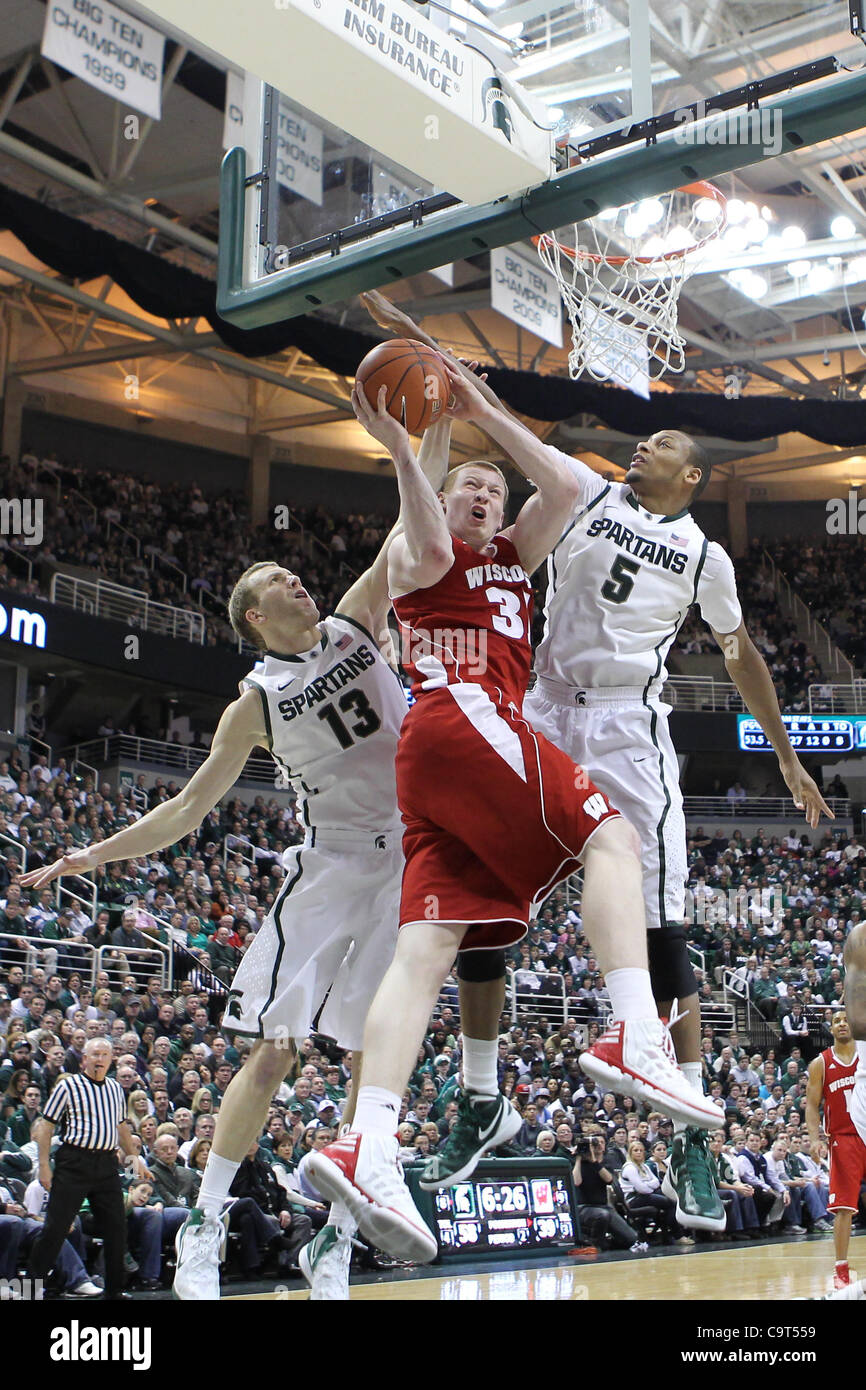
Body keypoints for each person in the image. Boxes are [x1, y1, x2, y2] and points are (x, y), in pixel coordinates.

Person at [360, 288, 831, 1237]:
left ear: (691, 475)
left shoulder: (704, 556)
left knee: (661, 927)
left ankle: (694, 1131)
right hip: (530, 708)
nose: (641, 445)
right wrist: (418, 346)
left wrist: (786, 756)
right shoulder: (581, 496)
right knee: (487, 907)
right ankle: (479, 1094)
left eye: (660, 444)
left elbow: (741, 656)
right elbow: (491, 414)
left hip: (626, 728)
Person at [20, 421, 452, 1302]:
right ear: (256, 617)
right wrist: (92, 854)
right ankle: (206, 1224)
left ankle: (333, 1239)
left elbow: (411, 528)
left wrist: (428, 436)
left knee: (375, 1058)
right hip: (329, 868)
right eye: (277, 584)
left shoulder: (357, 621)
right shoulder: (256, 700)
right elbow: (186, 809)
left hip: (406, 864)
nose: (299, 582)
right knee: (273, 1053)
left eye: (296, 575)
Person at [308, 365, 722, 1264]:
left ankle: (369, 1140)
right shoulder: (423, 555)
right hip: (465, 721)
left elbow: (569, 485)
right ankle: (631, 1030)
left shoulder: (509, 558)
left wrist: (483, 410)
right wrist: (409, 448)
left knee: (429, 951)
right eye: (471, 486)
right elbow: (418, 515)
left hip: (440, 759)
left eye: (496, 490)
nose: (485, 496)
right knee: (612, 836)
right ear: (443, 495)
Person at [27, 1038, 147, 1300]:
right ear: (84, 1059)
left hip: (106, 1164)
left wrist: (135, 1158)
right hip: (74, 1162)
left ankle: (114, 1291)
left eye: (105, 1054)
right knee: (55, 1229)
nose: (100, 1058)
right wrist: (45, 1165)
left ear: (111, 1059)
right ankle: (31, 1291)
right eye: (95, 1054)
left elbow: (122, 1127)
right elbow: (47, 1126)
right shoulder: (68, 1086)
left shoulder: (115, 1088)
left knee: (117, 1228)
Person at [805, 1005, 866, 1290]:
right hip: (843, 1138)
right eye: (837, 1021)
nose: (842, 1023)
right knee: (844, 1207)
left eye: (846, 1019)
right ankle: (841, 1269)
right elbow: (812, 1106)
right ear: (831, 1029)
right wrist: (815, 1138)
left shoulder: (865, 1057)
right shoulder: (821, 1063)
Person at [573, 1133, 643, 1251]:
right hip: (583, 1207)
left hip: (603, 1206)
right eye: (594, 1145)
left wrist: (594, 1162)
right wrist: (579, 1159)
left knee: (632, 1238)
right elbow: (576, 1182)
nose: (596, 1147)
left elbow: (609, 1180)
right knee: (602, 1215)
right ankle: (595, 1244)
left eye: (599, 1144)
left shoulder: (605, 1163)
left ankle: (609, 1243)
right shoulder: (578, 1165)